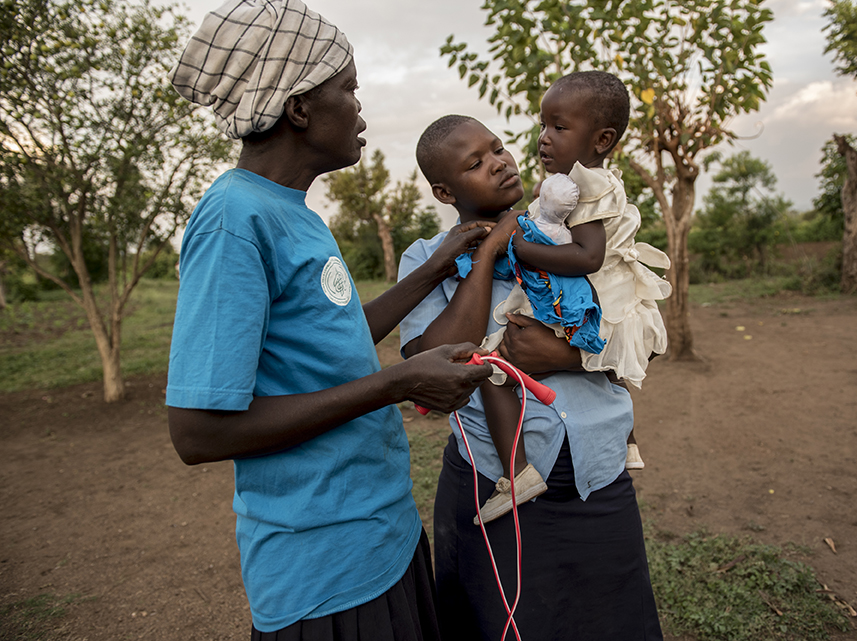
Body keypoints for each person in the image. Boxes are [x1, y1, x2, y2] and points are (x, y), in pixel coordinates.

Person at [164, 2, 495, 638]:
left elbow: (331, 344)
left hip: (382, 534)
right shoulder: (236, 218)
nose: (361, 110)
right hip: (322, 571)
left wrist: (433, 268)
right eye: (348, 89)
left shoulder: (295, 213)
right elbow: (197, 433)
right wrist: (396, 384)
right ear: (298, 109)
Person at [399, 114, 664, 640]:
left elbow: (644, 338)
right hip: (496, 485)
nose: (499, 162)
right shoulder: (428, 259)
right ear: (444, 191)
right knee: (501, 623)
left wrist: (567, 356)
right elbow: (432, 365)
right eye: (476, 163)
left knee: (612, 621)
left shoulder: (575, 229)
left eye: (497, 148)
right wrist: (490, 253)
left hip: (599, 474)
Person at [463, 71, 674, 524]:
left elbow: (587, 256)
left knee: (494, 367)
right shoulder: (588, 181)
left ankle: (517, 472)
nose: (543, 138)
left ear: (601, 140)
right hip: (611, 297)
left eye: (559, 127)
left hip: (592, 294)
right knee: (612, 365)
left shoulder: (586, 186)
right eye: (543, 125)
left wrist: (519, 247)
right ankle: (628, 443)